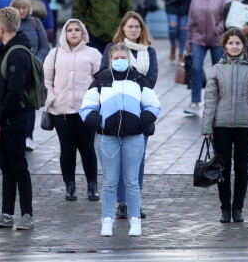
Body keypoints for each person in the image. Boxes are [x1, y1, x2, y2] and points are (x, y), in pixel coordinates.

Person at [80, 44, 161, 237]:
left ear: (129, 59)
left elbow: (154, 105)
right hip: (107, 139)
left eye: (123, 57)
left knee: (132, 182)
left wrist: (140, 124)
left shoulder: (139, 80)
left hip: (134, 138)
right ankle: (106, 222)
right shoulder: (100, 80)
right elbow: (86, 109)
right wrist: (101, 124)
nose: (119, 61)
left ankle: (136, 221)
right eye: (115, 58)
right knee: (109, 182)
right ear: (109, 60)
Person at [202, 28, 248, 224]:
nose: (234, 46)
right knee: (223, 169)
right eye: (231, 43)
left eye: (238, 43)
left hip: (245, 126)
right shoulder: (217, 69)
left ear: (243, 46)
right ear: (225, 45)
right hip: (221, 126)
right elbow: (210, 100)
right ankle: (225, 209)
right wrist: (207, 128)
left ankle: (237, 208)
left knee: (242, 168)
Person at [99, 12, 158, 220]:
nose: (133, 30)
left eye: (137, 27)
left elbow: (151, 81)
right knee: (117, 161)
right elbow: (103, 76)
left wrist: (131, 81)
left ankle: (134, 203)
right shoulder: (111, 49)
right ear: (122, 28)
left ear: (142, 30)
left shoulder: (149, 52)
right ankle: (121, 203)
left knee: (137, 161)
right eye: (130, 26)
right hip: (115, 111)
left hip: (140, 112)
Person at [44, 19, 101, 201]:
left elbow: (100, 80)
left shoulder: (93, 53)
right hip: (61, 111)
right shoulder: (54, 54)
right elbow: (46, 80)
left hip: (86, 110)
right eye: (70, 30)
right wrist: (51, 98)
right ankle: (70, 185)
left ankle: (92, 185)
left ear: (83, 32)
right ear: (64, 33)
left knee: (87, 148)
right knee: (67, 149)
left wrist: (95, 102)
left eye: (77, 30)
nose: (74, 33)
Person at [0, 8, 34, 231]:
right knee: (6, 167)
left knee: (19, 167)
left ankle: (27, 215)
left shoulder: (17, 53)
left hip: (13, 122)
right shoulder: (6, 50)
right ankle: (7, 214)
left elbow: (15, 93)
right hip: (3, 122)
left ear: (1, 28)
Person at [184, 0, 231, 115]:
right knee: (196, 68)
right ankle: (195, 102)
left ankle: (219, 103)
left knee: (218, 72)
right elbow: (191, 18)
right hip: (198, 38)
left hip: (217, 40)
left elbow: (228, 17)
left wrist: (217, 30)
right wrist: (188, 41)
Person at [11, 0, 50, 151]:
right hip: (14, 69)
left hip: (32, 70)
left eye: (24, 7)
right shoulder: (9, 24)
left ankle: (29, 136)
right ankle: (16, 136)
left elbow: (44, 46)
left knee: (30, 103)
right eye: (18, 7)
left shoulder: (36, 22)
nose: (21, 11)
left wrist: (35, 62)